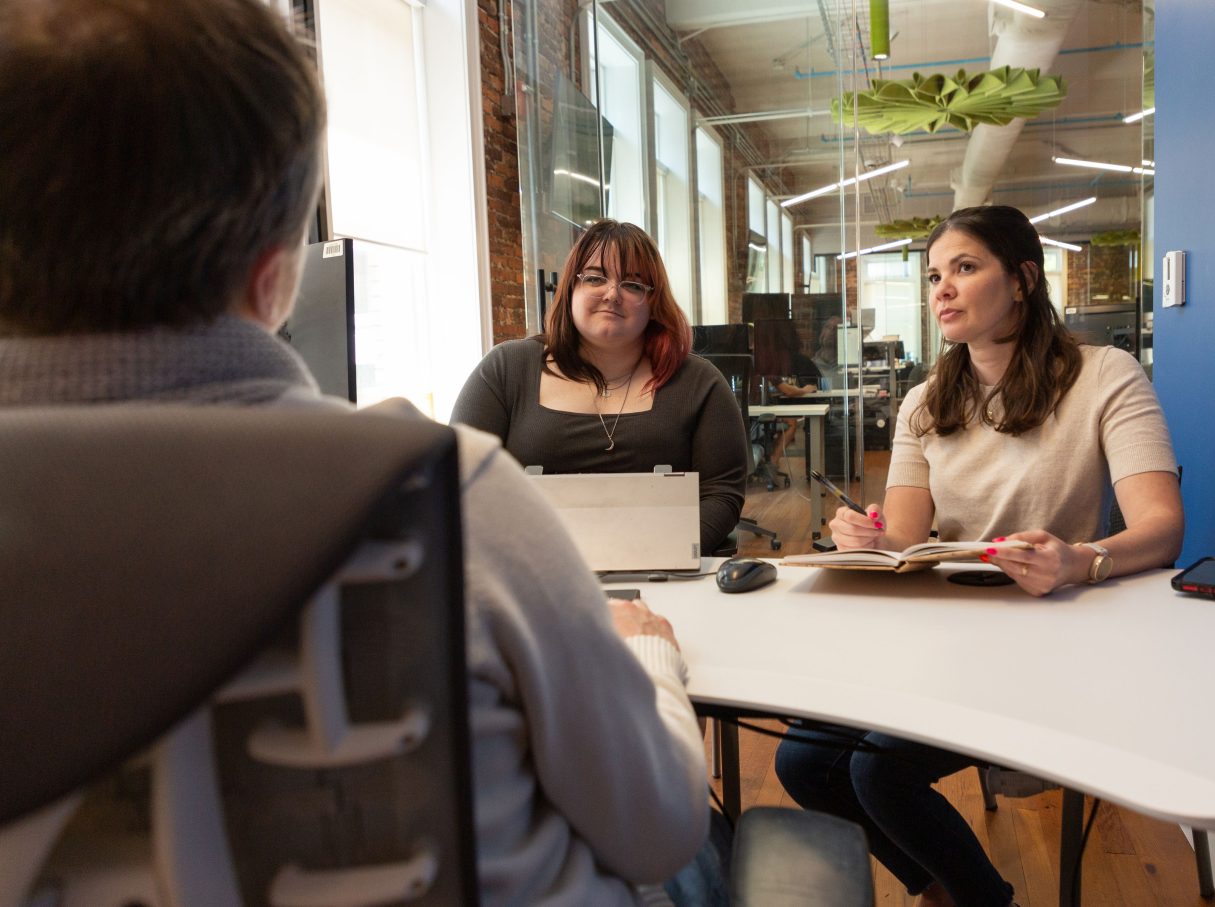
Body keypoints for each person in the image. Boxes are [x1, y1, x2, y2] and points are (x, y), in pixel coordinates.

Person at [0, 2, 711, 904]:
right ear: (278, 262)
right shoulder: (445, 498)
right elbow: (658, 825)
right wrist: (647, 659)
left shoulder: (670, 392)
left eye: (633, 282)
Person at [775, 205, 1184, 907]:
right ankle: (942, 887)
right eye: (936, 274)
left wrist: (1079, 559)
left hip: (1054, 632)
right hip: (947, 635)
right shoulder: (925, 402)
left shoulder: (1104, 375)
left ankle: (984, 901)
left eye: (965, 268)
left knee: (879, 774)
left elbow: (1162, 526)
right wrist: (868, 541)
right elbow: (905, 538)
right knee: (802, 760)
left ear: (1023, 279)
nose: (942, 289)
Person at [452, 220, 748, 555]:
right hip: (530, 574)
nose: (612, 294)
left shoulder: (698, 382)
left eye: (633, 284)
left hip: (666, 573)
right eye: (594, 277)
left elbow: (721, 494)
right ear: (570, 290)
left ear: (654, 302)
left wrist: (656, 554)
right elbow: (462, 482)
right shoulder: (507, 368)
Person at [752, 317, 819, 466]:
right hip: (755, 419)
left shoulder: (751, 357)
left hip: (745, 418)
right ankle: (772, 464)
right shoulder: (763, 361)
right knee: (792, 423)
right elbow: (787, 390)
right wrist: (804, 389)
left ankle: (766, 463)